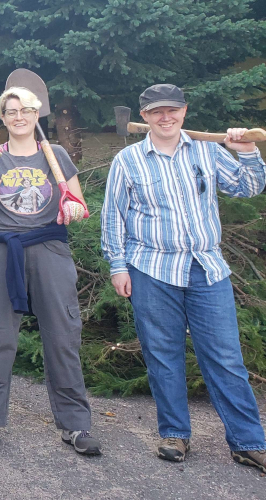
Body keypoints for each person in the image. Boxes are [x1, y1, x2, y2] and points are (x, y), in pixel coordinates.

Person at [101, 84, 266, 470]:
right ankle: (174, 433)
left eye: (172, 110)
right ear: (144, 116)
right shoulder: (128, 160)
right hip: (151, 270)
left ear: (184, 111)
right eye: (156, 111)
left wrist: (246, 151)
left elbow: (250, 187)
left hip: (207, 269)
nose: (165, 117)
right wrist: (118, 266)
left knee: (225, 357)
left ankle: (248, 441)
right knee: (163, 355)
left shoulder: (208, 152)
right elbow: (113, 217)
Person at [0, 86, 100, 456]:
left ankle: (76, 426)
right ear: (3, 117)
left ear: (36, 115)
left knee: (62, 337)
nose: (18, 117)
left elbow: (77, 202)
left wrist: (74, 208)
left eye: (25, 110)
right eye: (11, 111)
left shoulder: (55, 154)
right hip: (3, 250)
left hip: (49, 249)